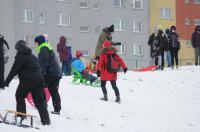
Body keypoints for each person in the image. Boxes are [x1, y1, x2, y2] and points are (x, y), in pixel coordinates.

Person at [4, 40, 50, 125]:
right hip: (39, 80)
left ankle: (21, 116)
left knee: (19, 95)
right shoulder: (33, 56)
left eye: (16, 49)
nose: (16, 51)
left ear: (19, 48)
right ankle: (46, 120)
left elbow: (13, 71)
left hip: (28, 80)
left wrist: (6, 82)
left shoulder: (20, 57)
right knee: (40, 101)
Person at [34, 35, 62, 115]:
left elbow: (45, 62)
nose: (35, 44)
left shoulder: (43, 48)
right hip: (56, 73)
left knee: (40, 87)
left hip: (51, 73)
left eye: (35, 42)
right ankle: (57, 109)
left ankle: (42, 106)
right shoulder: (47, 46)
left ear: (38, 42)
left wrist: (43, 72)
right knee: (54, 91)